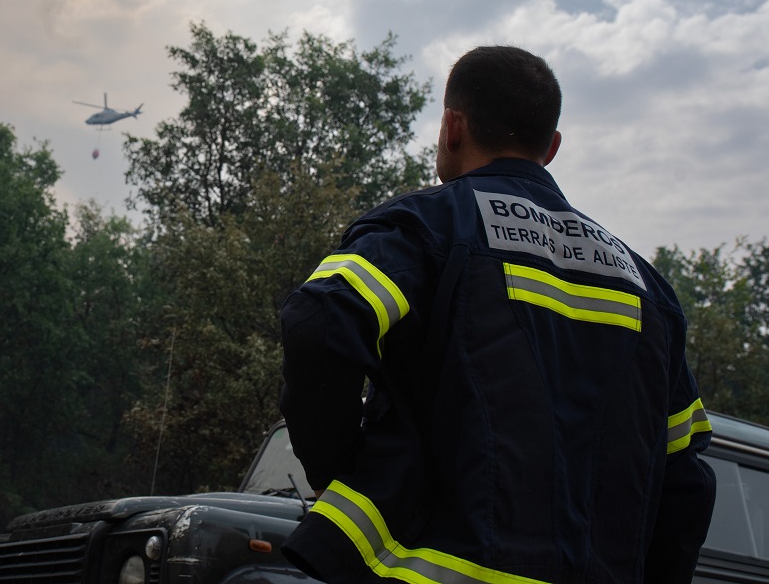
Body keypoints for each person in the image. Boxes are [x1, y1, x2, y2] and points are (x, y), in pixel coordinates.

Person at [279, 46, 715, 584]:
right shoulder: (649, 290)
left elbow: (319, 321)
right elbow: (687, 481)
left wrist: (336, 473)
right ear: (551, 147)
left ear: (452, 126)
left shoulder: (428, 226)